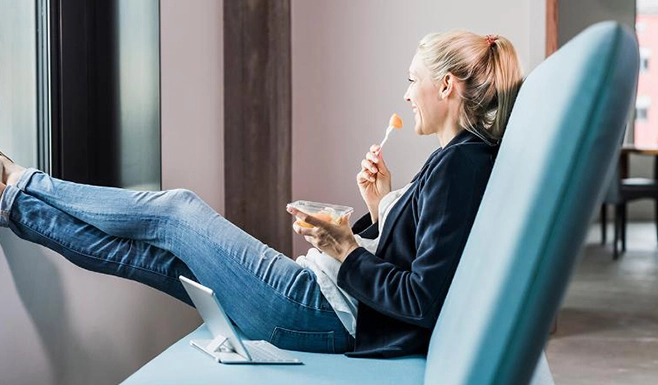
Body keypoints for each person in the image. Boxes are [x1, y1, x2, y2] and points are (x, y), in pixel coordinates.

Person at [0, 30, 522, 358]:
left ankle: (23, 178)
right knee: (155, 258)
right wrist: (375, 206)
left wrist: (341, 249)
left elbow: (421, 299)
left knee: (176, 211)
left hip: (324, 310)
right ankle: (13, 204)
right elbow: (411, 253)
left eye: (413, 81)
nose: (407, 95)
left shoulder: (463, 165)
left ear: (447, 86)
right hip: (326, 300)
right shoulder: (457, 160)